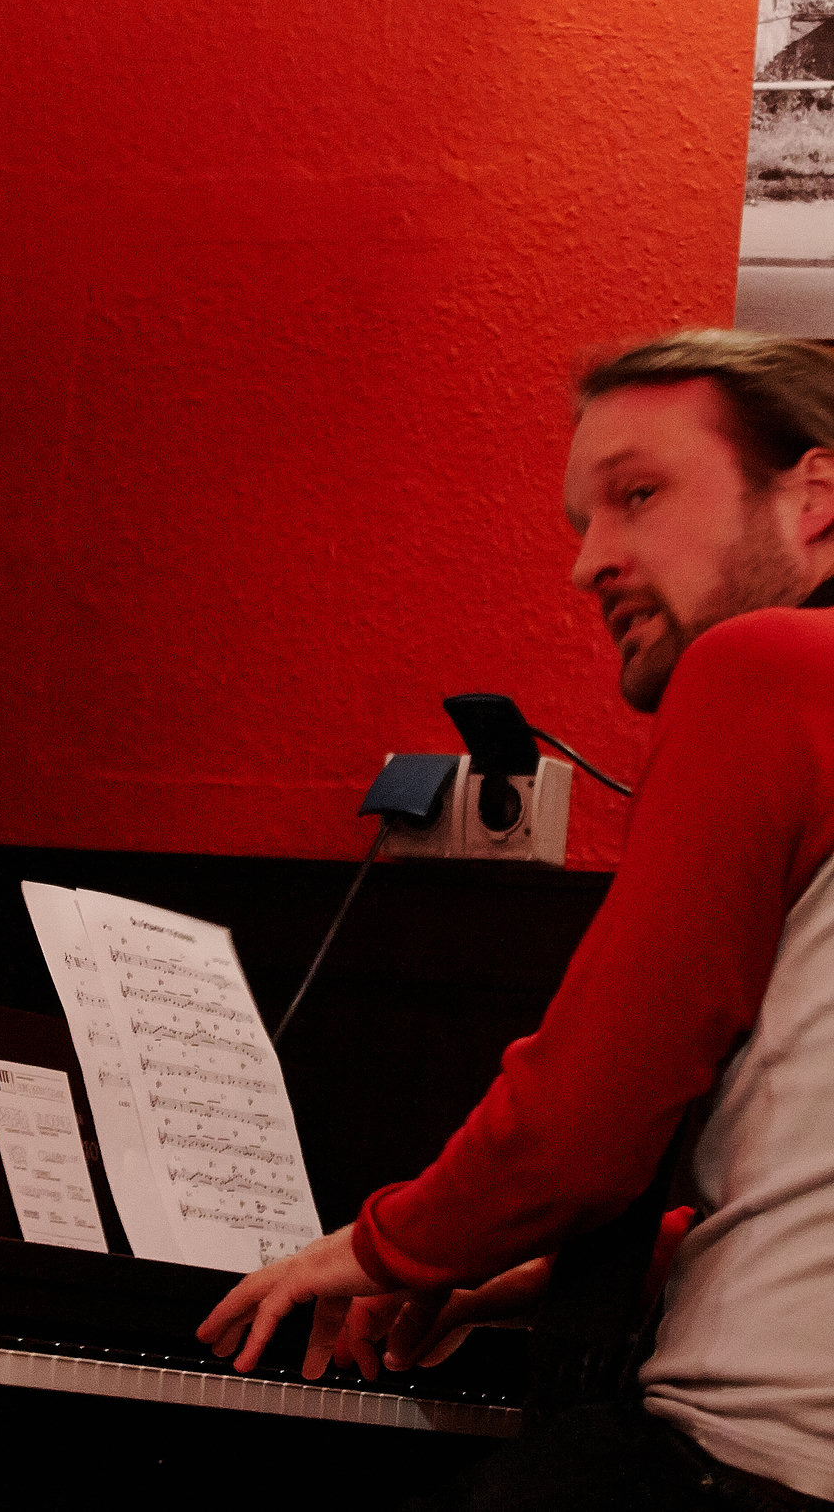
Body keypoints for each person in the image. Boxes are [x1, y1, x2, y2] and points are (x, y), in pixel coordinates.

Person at [197, 330, 834, 1509]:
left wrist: (389, 1244)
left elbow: (587, 1115)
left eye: (640, 496)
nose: (590, 563)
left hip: (742, 1469)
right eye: (582, 523)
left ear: (815, 494)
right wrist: (529, 1276)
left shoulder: (776, 666)